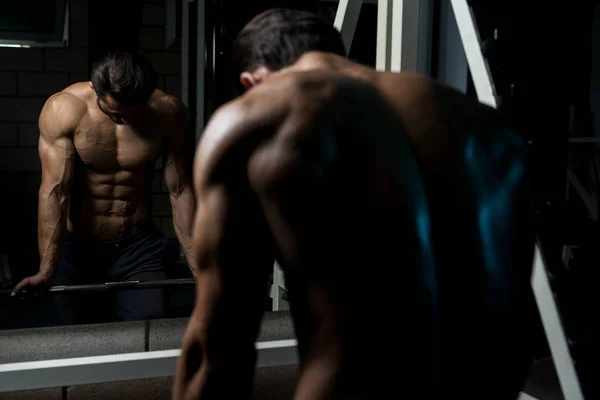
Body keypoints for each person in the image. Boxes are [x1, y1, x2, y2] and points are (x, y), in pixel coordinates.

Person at [173, 8, 535, 400]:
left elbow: (215, 354)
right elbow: (515, 322)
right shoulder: (493, 130)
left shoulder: (259, 113)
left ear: (252, 80)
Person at [11, 51, 197, 324]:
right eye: (115, 113)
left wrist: (198, 267)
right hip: (77, 251)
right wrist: (46, 270)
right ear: (93, 88)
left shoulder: (169, 113)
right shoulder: (64, 109)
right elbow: (55, 191)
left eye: (134, 113)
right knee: (79, 338)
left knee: (149, 331)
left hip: (137, 247)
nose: (124, 121)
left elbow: (180, 192)